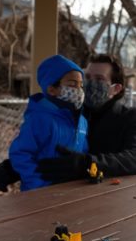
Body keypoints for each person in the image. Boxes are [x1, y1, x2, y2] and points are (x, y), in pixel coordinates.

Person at [0, 54, 136, 191]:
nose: (88, 84)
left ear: (115, 89)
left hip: (108, 197)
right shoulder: (69, 112)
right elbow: (44, 144)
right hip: (61, 194)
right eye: (87, 77)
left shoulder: (130, 117)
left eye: (99, 79)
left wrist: (86, 164)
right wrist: (13, 168)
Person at [8, 54, 88, 191]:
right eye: (72, 84)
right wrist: (38, 185)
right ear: (51, 89)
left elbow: (83, 152)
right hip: (39, 196)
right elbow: (20, 153)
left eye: (81, 85)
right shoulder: (39, 119)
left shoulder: (82, 121)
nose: (79, 90)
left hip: (70, 192)